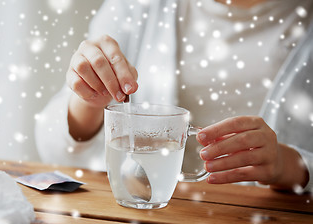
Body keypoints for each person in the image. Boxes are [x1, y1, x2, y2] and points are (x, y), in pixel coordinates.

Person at [35, 0, 313, 193]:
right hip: (156, 219)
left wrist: (290, 165)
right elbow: (52, 148)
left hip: (272, 223)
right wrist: (89, 100)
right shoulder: (138, 7)